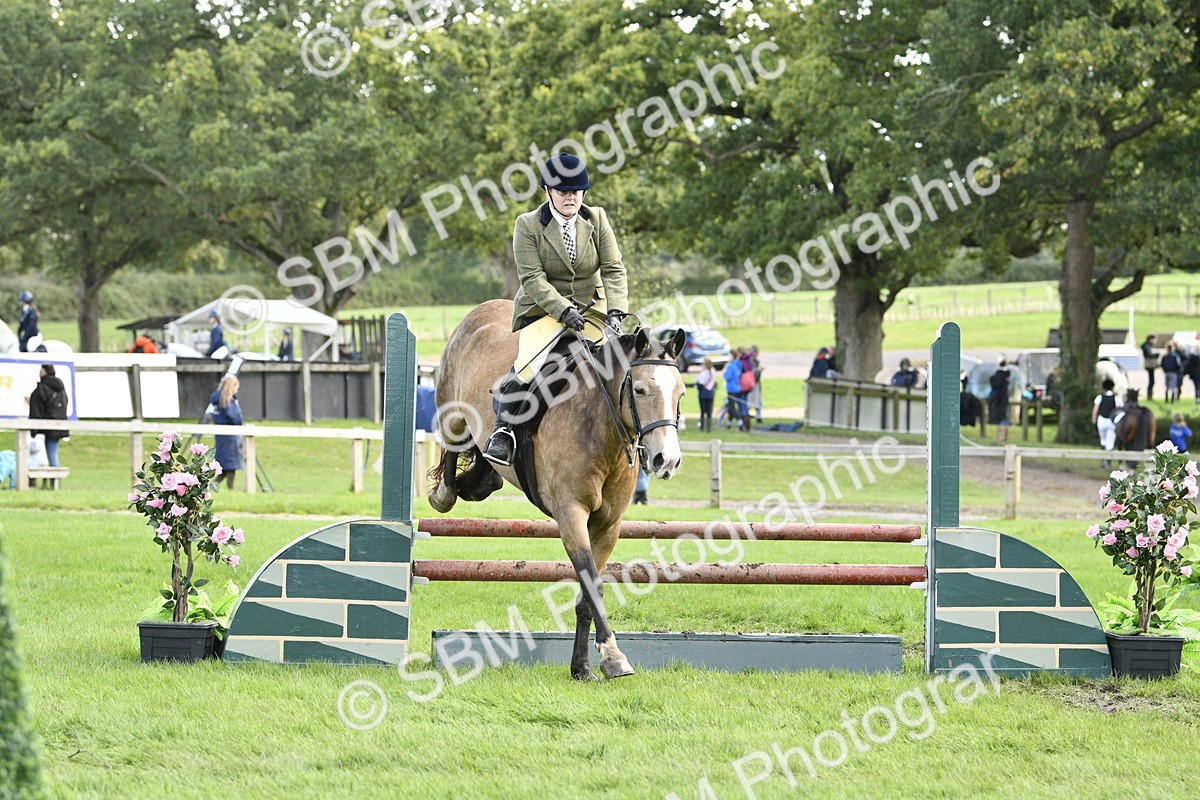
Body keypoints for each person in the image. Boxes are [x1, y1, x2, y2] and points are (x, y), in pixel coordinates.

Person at [482, 153, 627, 466]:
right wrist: (562, 311)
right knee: (529, 363)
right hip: (544, 310)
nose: (570, 197)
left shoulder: (597, 219)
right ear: (547, 191)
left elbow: (614, 268)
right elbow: (532, 278)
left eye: (576, 191)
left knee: (620, 362)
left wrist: (616, 310)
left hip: (591, 309)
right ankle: (503, 431)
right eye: (563, 191)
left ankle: (634, 432)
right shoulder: (528, 225)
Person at [27, 364, 68, 467]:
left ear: (45, 372)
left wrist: (33, 431)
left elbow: (36, 408)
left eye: (41, 372)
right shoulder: (61, 388)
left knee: (41, 457)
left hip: (44, 426)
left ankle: (50, 480)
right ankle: (55, 481)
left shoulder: (42, 388)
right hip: (59, 425)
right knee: (53, 454)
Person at [210, 375, 244, 488]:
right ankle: (230, 489)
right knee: (230, 467)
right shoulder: (229, 401)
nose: (237, 390)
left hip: (221, 437)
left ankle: (210, 488)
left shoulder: (217, 400)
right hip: (230, 437)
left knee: (225, 468)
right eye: (236, 387)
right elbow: (234, 417)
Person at [1092, 378, 1121, 465]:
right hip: (1111, 421)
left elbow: (1095, 411)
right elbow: (1120, 409)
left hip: (1101, 421)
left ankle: (1102, 460)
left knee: (1103, 440)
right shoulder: (1116, 397)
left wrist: (1094, 424)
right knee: (1110, 442)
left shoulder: (1100, 397)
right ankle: (1108, 462)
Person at [723, 349, 751, 431]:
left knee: (731, 407)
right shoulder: (738, 364)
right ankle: (729, 423)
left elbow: (727, 376)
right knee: (732, 406)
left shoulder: (731, 366)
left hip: (732, 388)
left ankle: (740, 422)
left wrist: (725, 373)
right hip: (737, 387)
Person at [988, 359, 1011, 439]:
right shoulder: (1007, 375)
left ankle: (1001, 437)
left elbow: (995, 384)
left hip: (998, 398)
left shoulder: (998, 375)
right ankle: (1003, 436)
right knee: (1003, 416)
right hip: (1003, 398)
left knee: (1000, 416)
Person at [694, 357, 717, 432]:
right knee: (709, 411)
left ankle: (702, 427)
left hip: (703, 394)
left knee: (703, 411)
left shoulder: (703, 373)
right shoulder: (713, 372)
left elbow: (700, 383)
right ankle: (708, 428)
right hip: (710, 394)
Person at [746, 346, 764, 421]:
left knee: (758, 400)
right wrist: (758, 370)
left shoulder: (755, 361)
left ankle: (758, 415)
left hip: (755, 383)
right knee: (751, 400)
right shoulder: (750, 362)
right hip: (751, 383)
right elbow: (751, 373)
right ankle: (747, 415)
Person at [1142, 334, 1158, 400]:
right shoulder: (1146, 346)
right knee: (1151, 380)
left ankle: (1150, 395)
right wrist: (1156, 355)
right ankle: (1149, 395)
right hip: (1150, 364)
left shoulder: (1148, 346)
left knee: (1152, 380)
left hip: (1151, 364)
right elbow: (1149, 355)